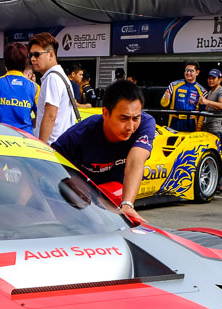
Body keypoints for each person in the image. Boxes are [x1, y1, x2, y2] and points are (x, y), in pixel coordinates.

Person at [51, 79, 155, 226]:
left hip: (113, 197)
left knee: (116, 192)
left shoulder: (145, 123)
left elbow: (135, 161)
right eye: (123, 119)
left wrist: (127, 204)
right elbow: (47, 166)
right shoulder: (79, 134)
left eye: (135, 118)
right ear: (105, 113)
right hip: (78, 200)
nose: (130, 127)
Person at [28, 32, 78, 144]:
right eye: (30, 55)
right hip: (61, 144)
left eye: (37, 54)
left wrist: (42, 146)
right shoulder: (59, 76)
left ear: (51, 54)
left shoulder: (52, 78)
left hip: (52, 147)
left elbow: (50, 116)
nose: (32, 59)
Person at [0, 42, 38, 134]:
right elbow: (39, 117)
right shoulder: (35, 87)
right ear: (25, 62)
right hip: (25, 137)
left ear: (6, 62)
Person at [160, 61, 205, 132]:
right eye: (186, 70)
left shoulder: (202, 91)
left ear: (197, 72)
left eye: (191, 71)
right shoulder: (173, 85)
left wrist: (199, 128)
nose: (188, 73)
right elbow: (163, 104)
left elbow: (203, 112)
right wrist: (166, 98)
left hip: (191, 123)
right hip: (174, 121)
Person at [199, 68, 222, 138]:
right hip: (206, 128)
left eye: (213, 78)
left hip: (214, 130)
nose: (210, 80)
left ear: (220, 80)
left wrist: (206, 102)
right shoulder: (210, 92)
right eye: (209, 78)